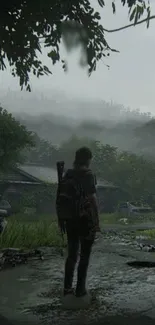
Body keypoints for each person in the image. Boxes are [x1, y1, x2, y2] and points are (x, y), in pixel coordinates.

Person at [56, 147, 100, 298]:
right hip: (85, 219)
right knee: (85, 255)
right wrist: (96, 220)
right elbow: (92, 199)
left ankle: (67, 288)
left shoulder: (67, 174)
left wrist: (61, 218)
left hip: (70, 220)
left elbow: (60, 198)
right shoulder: (87, 174)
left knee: (72, 255)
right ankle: (80, 289)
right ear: (88, 159)